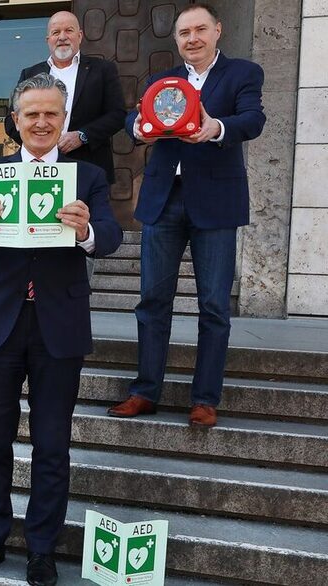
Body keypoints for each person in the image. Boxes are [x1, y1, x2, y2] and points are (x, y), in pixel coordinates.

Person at [0, 74, 122, 585]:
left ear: (63, 119)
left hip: (58, 325)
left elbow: (111, 237)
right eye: (32, 114)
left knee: (52, 444)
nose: (42, 122)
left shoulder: (86, 177)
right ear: (16, 121)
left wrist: (87, 230)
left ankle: (42, 548)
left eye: (51, 114)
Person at [108, 3, 265, 428]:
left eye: (199, 30)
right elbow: (134, 117)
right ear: (176, 39)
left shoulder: (243, 73)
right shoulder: (163, 79)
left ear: (217, 31)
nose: (191, 38)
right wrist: (138, 126)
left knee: (214, 306)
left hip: (215, 203)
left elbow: (253, 119)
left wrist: (217, 128)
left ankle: (205, 398)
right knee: (152, 302)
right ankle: (145, 391)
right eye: (183, 33)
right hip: (163, 199)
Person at [4, 10, 125, 281]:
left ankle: (74, 302)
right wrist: (41, 142)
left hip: (86, 172)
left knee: (79, 244)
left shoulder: (102, 70)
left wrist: (81, 135)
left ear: (80, 36)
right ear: (48, 39)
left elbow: (118, 115)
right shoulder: (30, 72)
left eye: (68, 30)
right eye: (56, 32)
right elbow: (12, 122)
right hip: (35, 176)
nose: (62, 37)